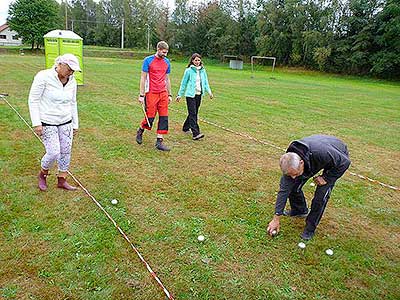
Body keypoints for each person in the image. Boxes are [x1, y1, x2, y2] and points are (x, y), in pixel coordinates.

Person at [266, 135, 351, 240]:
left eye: (295, 173)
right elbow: (283, 191)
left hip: (336, 154)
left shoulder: (322, 153)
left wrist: (327, 178)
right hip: (314, 156)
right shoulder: (290, 163)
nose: (293, 177)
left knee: (320, 197)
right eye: (290, 174)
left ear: (301, 163)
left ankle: (310, 228)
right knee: (293, 186)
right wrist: (276, 218)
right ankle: (299, 210)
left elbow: (345, 162)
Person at [28, 53, 81, 191]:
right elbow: (33, 100)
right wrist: (36, 123)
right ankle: (43, 174)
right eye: (69, 69)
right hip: (47, 121)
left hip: (66, 121)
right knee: (53, 152)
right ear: (60, 64)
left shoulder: (72, 80)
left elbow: (73, 102)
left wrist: (75, 124)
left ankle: (62, 180)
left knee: (65, 151)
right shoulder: (43, 76)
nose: (71, 72)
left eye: (73, 70)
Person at [136, 41, 172, 151]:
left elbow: (167, 78)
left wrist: (169, 94)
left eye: (166, 52)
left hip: (163, 93)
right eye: (163, 52)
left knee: (164, 117)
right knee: (150, 117)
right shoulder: (148, 61)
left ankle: (159, 141)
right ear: (158, 49)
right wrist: (142, 95)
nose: (165, 54)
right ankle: (141, 130)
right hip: (151, 92)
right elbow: (143, 78)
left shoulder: (167, 62)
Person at [176, 53, 213, 140]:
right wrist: (179, 95)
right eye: (195, 60)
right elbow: (183, 83)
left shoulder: (203, 70)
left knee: (194, 112)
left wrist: (210, 92)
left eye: (198, 60)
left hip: (199, 95)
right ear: (192, 61)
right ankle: (196, 133)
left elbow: (206, 82)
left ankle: (185, 127)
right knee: (193, 114)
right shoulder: (188, 70)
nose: (197, 62)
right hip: (190, 95)